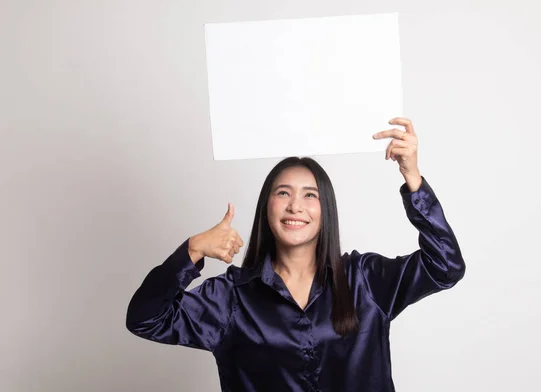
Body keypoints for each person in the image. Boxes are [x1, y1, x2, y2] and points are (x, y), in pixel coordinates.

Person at [126, 117, 466, 392]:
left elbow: (445, 267)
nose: (295, 206)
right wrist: (193, 250)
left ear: (325, 210)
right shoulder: (231, 297)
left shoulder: (364, 280)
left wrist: (413, 179)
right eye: (283, 193)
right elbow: (145, 319)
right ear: (267, 207)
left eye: (310, 196)